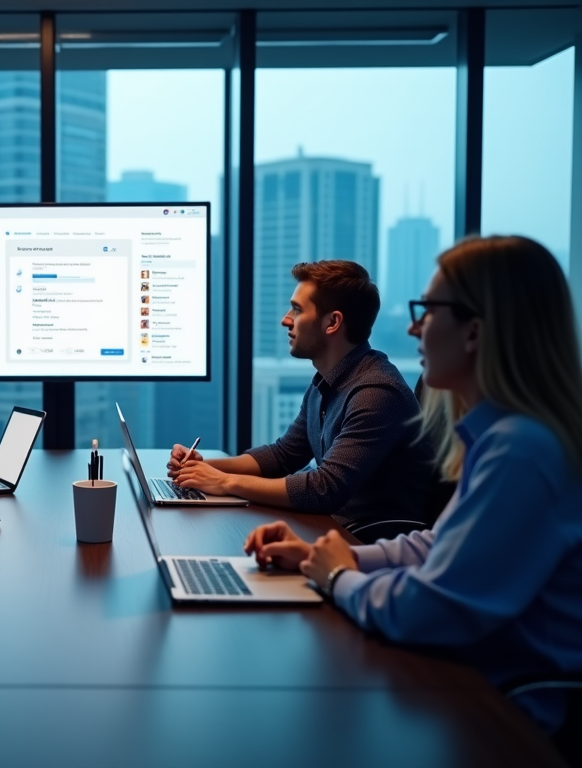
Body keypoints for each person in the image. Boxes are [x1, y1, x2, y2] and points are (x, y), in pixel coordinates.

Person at [244, 236, 582, 733]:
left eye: (427, 310)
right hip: (470, 686)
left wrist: (339, 578)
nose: (412, 327)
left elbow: (430, 611)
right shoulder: (505, 437)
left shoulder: (521, 450)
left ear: (475, 331)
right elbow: (439, 543)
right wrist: (336, 557)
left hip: (507, 718)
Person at [169, 260, 433, 529]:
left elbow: (325, 489)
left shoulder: (377, 393)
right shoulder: (328, 382)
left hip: (361, 543)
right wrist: (205, 468)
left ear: (332, 322)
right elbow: (283, 455)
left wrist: (224, 482)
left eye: (297, 310)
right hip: (328, 529)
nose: (286, 319)